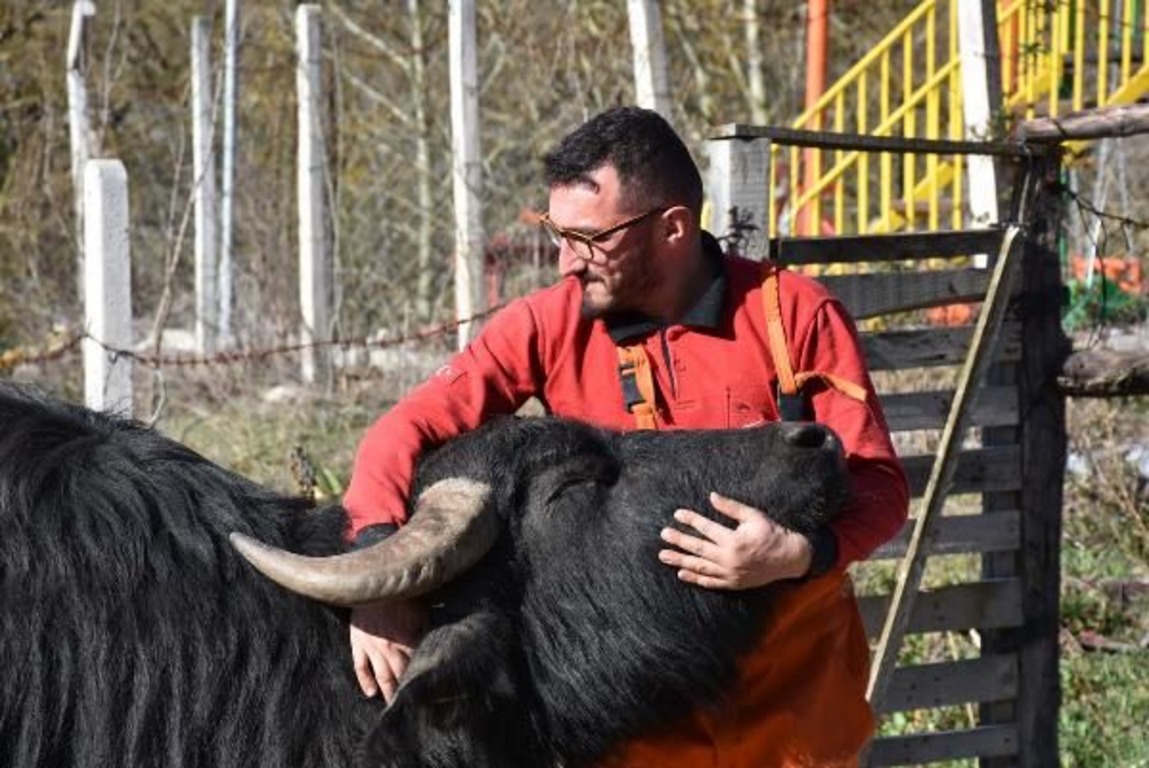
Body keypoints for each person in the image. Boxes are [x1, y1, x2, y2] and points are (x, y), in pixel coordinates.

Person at [342, 106, 909, 767]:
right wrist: (380, 587)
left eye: (588, 238)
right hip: (635, 716)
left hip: (792, 709)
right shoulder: (547, 324)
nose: (564, 262)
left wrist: (797, 554)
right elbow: (401, 432)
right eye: (556, 234)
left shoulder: (795, 315)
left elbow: (879, 485)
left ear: (671, 228)